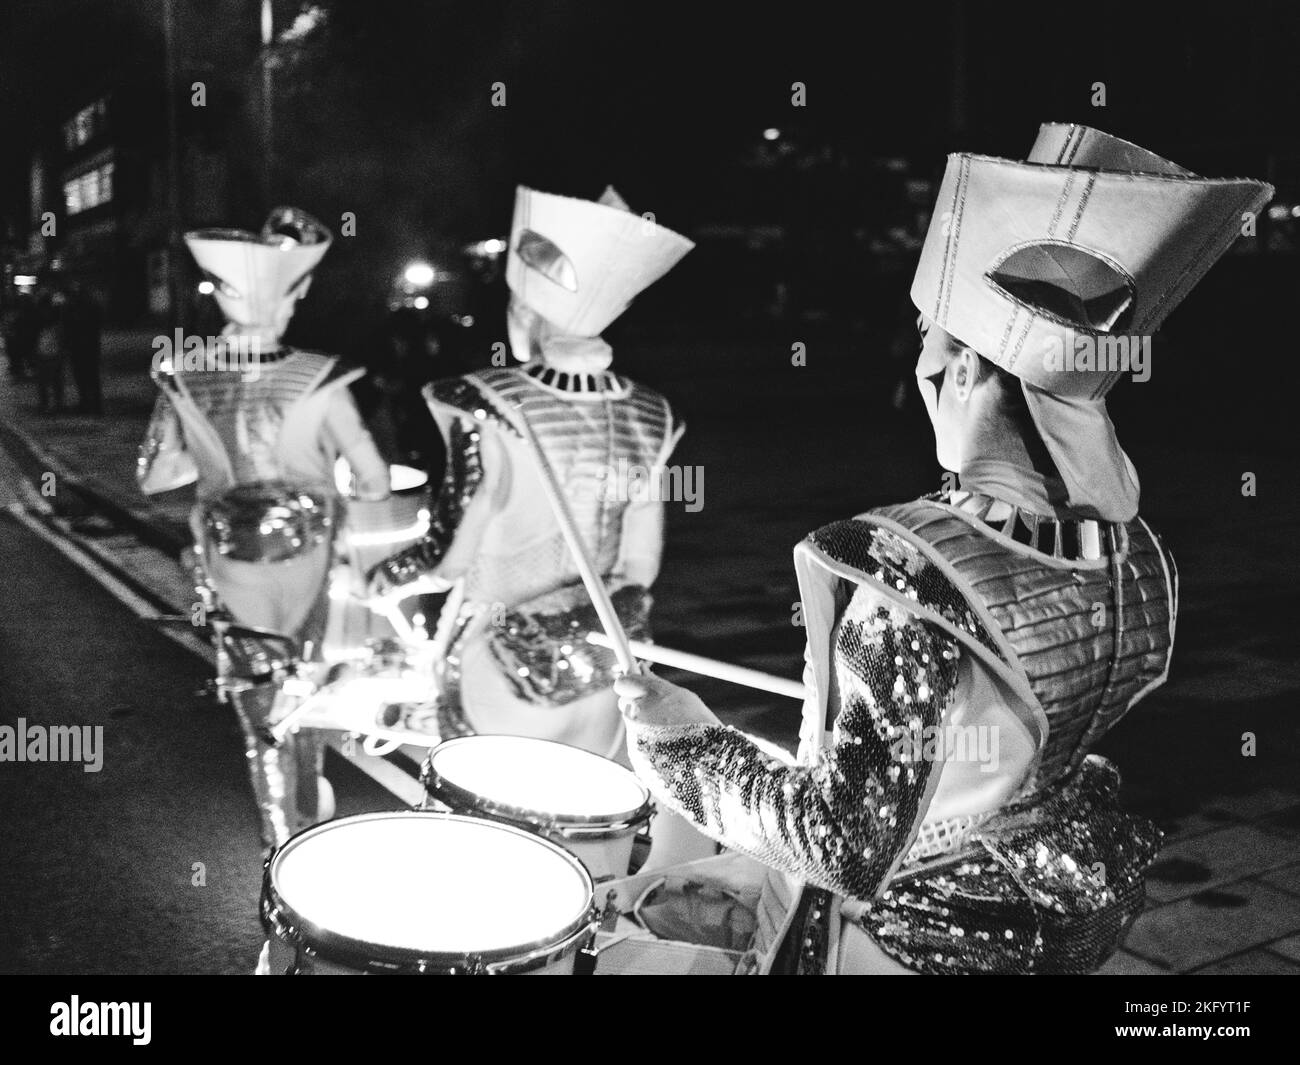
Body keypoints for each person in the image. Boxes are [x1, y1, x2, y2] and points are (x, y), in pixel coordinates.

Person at [615, 124, 1273, 974]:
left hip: (912, 942)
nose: (918, 353)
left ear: (960, 368)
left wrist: (687, 742)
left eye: (929, 331)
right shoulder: (1133, 554)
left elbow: (843, 837)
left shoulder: (916, 576)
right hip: (1055, 915)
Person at [368, 185, 693, 761]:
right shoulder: (652, 415)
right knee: (592, 826)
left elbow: (448, 559)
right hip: (601, 664)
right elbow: (640, 568)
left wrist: (384, 578)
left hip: (496, 661)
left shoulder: (482, 401)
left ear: (524, 309)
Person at [137, 207, 390, 853]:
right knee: (310, 703)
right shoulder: (321, 377)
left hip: (231, 570)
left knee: (263, 723)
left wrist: (225, 444)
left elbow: (153, 475)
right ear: (296, 292)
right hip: (313, 571)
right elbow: (373, 478)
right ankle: (307, 829)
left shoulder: (184, 376)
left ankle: (283, 844)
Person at [63, 282, 103, 415]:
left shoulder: (74, 308)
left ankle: (87, 404)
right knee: (91, 377)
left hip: (79, 347)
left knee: (82, 377)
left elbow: (69, 327)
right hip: (90, 347)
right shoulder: (92, 306)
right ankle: (95, 405)